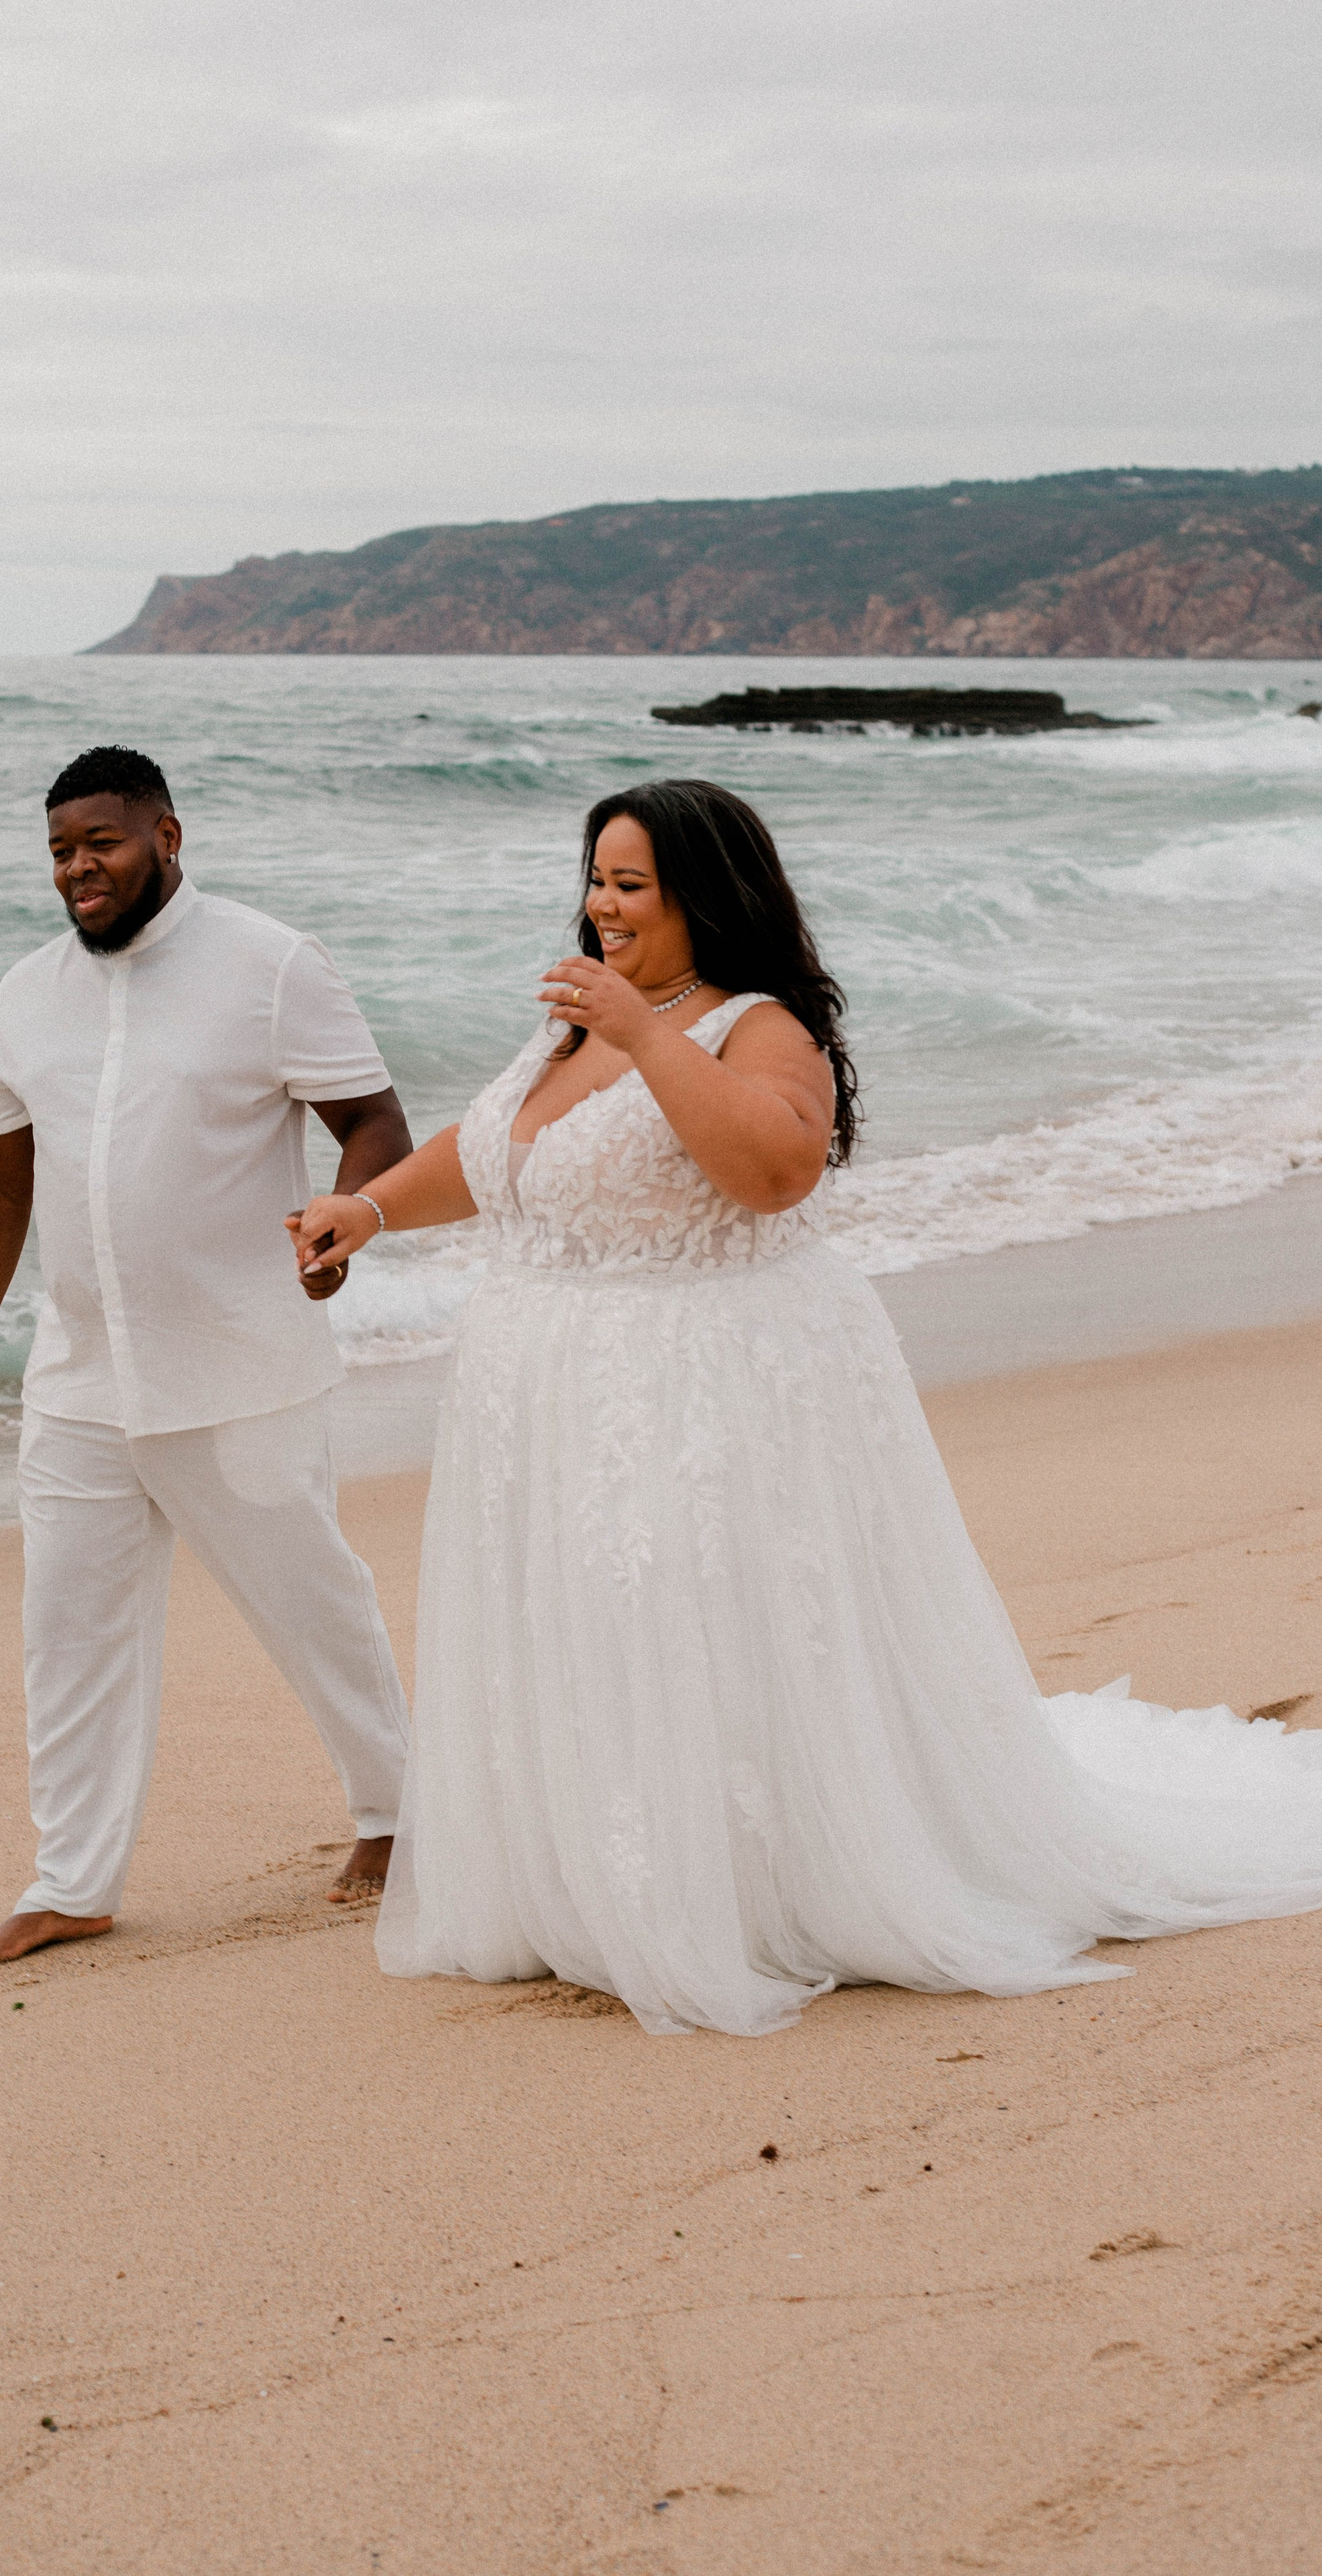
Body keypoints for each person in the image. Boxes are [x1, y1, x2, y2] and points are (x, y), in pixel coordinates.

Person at [290, 777, 1322, 2037]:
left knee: (689, 1619)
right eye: (596, 879)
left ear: (704, 897)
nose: (603, 905)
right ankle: (590, 1885)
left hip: (699, 1380)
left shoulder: (756, 1026)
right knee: (584, 1625)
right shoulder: (576, 1026)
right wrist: (372, 1207)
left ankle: (745, 1892)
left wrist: (645, 1032)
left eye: (631, 884)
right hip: (548, 1391)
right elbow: (504, 1149)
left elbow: (774, 1170)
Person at [0, 744, 412, 1970]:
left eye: (100, 843)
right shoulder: (25, 992)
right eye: (59, 851)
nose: (77, 869)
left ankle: (398, 1811)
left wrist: (346, 1218)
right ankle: (71, 1882)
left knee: (309, 1598)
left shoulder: (273, 965)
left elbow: (373, 1119)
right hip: (80, 1374)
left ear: (167, 835)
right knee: (68, 1630)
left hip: (240, 1359)